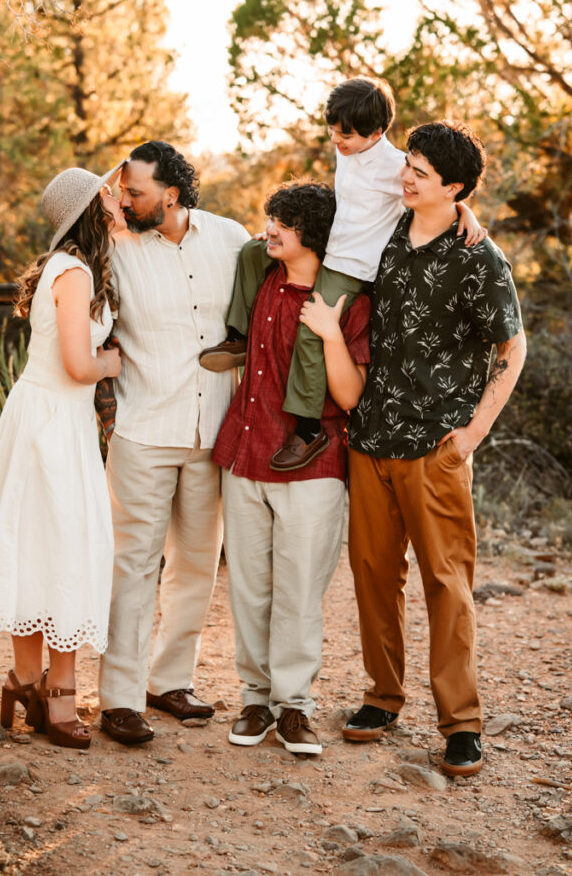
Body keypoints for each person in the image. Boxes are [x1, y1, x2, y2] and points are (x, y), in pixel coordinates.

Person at [344, 120, 526, 777]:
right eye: (409, 165)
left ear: (452, 186)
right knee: (370, 577)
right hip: (369, 435)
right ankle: (381, 699)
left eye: (419, 171)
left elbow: (512, 345)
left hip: (436, 443)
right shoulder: (384, 228)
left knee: (445, 585)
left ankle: (461, 725)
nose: (405, 176)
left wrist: (473, 433)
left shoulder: (479, 257)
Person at [200, 77, 485, 471]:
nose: (336, 139)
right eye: (332, 129)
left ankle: (308, 426)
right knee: (253, 251)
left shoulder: (393, 167)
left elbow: (434, 193)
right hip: (330, 245)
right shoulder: (347, 149)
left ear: (378, 132)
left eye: (345, 134)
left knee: (310, 330)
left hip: (350, 266)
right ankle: (238, 337)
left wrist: (465, 212)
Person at [0, 165, 126, 750]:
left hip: (52, 419)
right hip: (52, 423)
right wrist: (111, 364)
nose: (118, 196)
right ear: (91, 209)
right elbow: (80, 365)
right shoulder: (75, 272)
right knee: (60, 549)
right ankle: (56, 694)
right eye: (109, 192)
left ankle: (27, 681)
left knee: (42, 547)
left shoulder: (73, 268)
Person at [97, 140, 250, 746]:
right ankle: (119, 698)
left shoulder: (231, 237)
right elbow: (63, 245)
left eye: (134, 190)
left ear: (172, 194)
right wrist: (106, 199)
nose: (124, 198)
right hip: (144, 427)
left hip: (213, 430)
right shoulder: (113, 245)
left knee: (194, 563)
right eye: (121, 188)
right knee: (133, 564)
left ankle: (169, 681)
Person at [213, 181, 370, 755]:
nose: (270, 228)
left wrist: (328, 332)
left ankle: (295, 706)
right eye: (270, 217)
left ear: (315, 232)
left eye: (283, 221)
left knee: (299, 592)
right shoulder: (261, 279)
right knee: (250, 590)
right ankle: (256, 699)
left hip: (314, 463)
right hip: (247, 453)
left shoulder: (348, 298)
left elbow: (350, 397)